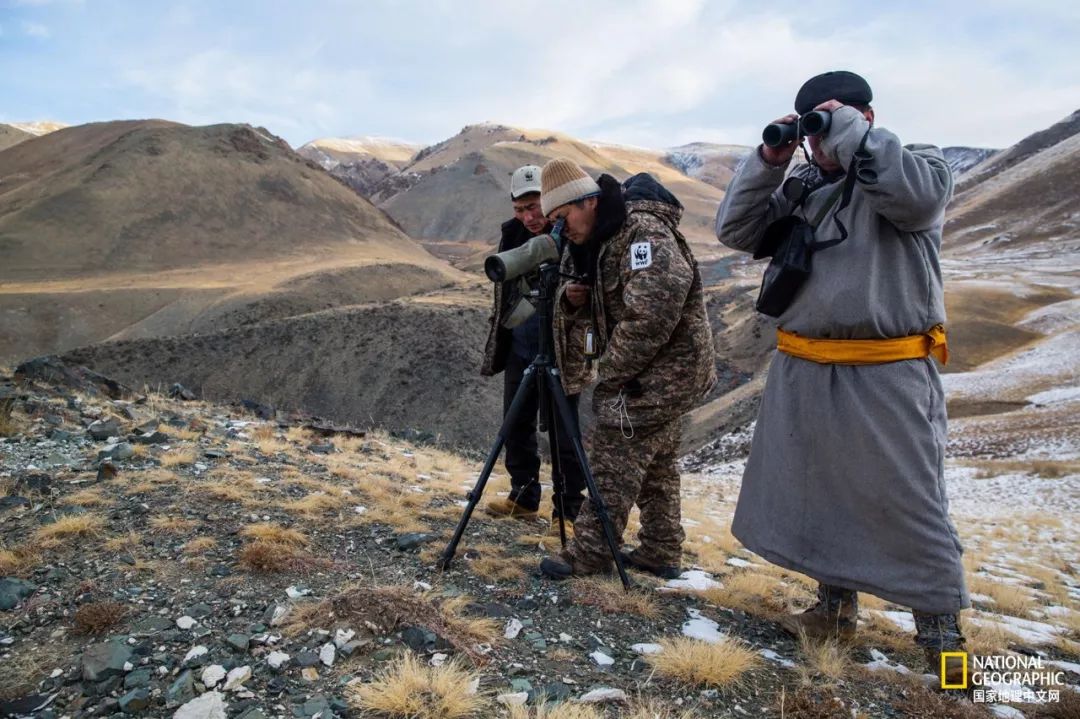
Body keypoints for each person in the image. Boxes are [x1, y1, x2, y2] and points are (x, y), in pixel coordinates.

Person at [714, 70, 968, 675]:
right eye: (812, 133)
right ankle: (833, 610)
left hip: (887, 371)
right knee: (818, 491)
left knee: (910, 502)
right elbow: (737, 230)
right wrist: (771, 159)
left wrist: (848, 131)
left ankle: (944, 643)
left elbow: (917, 201)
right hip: (805, 366)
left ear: (866, 119)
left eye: (826, 127)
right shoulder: (804, 184)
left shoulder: (918, 166)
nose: (819, 144)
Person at [536, 158, 716, 581]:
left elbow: (651, 313)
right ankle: (660, 547)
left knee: (613, 449)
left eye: (563, 218)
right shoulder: (605, 237)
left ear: (589, 202)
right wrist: (577, 299)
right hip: (662, 372)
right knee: (657, 460)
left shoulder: (642, 233)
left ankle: (592, 552)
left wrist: (609, 372)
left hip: (663, 373)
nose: (563, 230)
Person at [480, 165, 587, 531]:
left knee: (564, 433)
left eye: (534, 207)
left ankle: (568, 512)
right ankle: (523, 498)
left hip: (562, 347)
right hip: (520, 344)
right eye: (520, 210)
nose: (529, 217)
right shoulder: (511, 235)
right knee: (515, 424)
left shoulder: (575, 234)